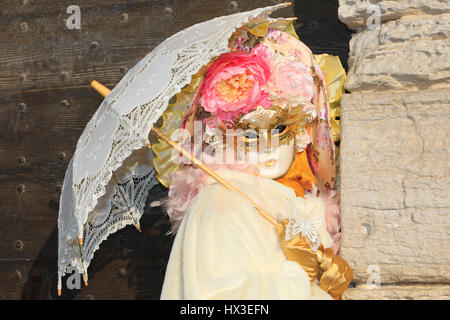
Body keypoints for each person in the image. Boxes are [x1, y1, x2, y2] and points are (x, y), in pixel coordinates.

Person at [156, 24, 350, 299]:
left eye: (279, 129)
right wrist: (298, 279)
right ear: (222, 136)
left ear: (302, 132)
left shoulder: (298, 201)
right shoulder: (219, 203)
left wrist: (328, 283)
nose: (267, 147)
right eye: (249, 133)